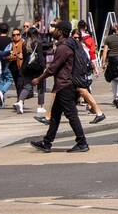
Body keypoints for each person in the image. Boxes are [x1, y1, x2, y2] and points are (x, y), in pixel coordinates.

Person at [30, 21, 90, 153]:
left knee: (71, 115)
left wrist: (39, 79)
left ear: (61, 31)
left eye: (56, 29)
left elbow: (53, 68)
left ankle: (82, 142)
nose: (53, 31)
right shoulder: (70, 44)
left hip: (65, 85)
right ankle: (47, 142)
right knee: (56, 115)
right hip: (65, 85)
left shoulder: (64, 48)